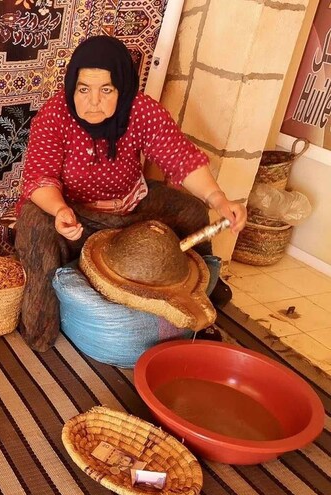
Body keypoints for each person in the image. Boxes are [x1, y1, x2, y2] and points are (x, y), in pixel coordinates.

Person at [15, 35, 247, 352]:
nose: (92, 101)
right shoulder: (55, 116)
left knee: (191, 210)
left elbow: (180, 157)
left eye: (105, 90)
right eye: (83, 89)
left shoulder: (140, 111)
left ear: (122, 89)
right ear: (72, 87)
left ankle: (201, 288)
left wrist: (218, 199)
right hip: (75, 213)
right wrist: (59, 211)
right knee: (33, 223)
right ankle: (40, 326)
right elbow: (40, 177)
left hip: (130, 207)